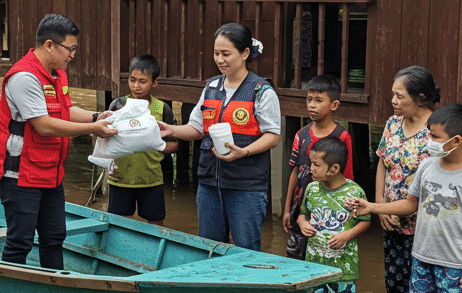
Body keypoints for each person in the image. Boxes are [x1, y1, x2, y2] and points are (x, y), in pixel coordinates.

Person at [347, 104, 462, 293]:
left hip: (456, 263)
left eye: (434, 137)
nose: (429, 142)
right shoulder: (426, 167)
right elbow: (410, 204)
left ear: (456, 141)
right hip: (422, 257)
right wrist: (372, 207)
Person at [0, 13, 118, 269]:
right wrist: (93, 128)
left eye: (74, 49)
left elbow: (64, 110)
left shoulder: (57, 74)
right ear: (49, 44)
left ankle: (55, 283)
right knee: (20, 241)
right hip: (20, 174)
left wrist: (96, 116)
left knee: (54, 237)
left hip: (50, 171)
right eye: (69, 49)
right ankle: (11, 291)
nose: (72, 55)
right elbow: (44, 125)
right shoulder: (25, 77)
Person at [158, 23, 280, 251]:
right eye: (216, 53)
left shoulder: (261, 90)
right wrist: (171, 130)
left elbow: (272, 135)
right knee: (210, 248)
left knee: (246, 250)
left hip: (246, 187)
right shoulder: (211, 87)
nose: (220, 59)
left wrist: (244, 151)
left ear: (245, 53)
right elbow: (197, 127)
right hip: (209, 185)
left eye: (226, 54)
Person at [374, 66, 441, 293]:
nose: (393, 101)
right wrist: (381, 207)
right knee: (396, 289)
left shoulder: (436, 133)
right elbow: (382, 163)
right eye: (393, 94)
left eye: (400, 96)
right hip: (390, 221)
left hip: (424, 227)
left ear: (421, 98)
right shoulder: (393, 124)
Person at [296, 136, 371, 293]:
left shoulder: (354, 192)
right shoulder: (312, 189)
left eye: (316, 164)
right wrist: (302, 223)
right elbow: (302, 214)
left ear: (334, 169)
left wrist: (347, 235)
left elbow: (365, 221)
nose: (310, 168)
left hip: (343, 269)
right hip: (314, 267)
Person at [281, 74, 355, 260]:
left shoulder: (342, 136)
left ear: (334, 105)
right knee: (296, 259)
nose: (311, 105)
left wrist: (349, 215)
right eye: (309, 99)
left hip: (330, 211)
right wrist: (287, 209)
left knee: (325, 258)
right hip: (301, 211)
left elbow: (348, 177)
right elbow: (295, 173)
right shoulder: (301, 135)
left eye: (318, 100)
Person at [105, 54, 178, 226]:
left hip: (151, 178)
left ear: (154, 83)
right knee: (117, 225)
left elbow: (174, 145)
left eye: (142, 81)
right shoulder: (118, 105)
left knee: (156, 223)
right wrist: (105, 163)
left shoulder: (162, 109)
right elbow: (104, 139)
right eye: (132, 80)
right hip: (119, 177)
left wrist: (151, 143)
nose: (136, 86)